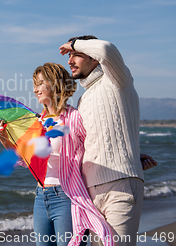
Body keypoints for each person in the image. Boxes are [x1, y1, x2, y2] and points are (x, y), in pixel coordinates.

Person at [0, 63, 114, 246]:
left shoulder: (74, 118)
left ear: (56, 84)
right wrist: (4, 138)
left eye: (41, 83)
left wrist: (133, 156)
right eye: (34, 84)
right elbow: (26, 160)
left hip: (67, 197)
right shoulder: (37, 123)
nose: (36, 89)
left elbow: (99, 145)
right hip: (41, 196)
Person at [59, 36, 157, 246]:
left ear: (94, 59)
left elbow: (106, 49)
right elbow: (96, 139)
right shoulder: (83, 99)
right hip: (91, 192)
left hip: (120, 188)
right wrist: (131, 153)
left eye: (76, 55)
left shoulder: (117, 80)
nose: (70, 61)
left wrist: (74, 43)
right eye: (70, 56)